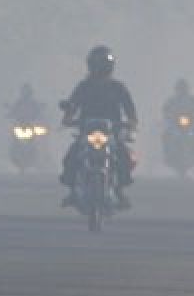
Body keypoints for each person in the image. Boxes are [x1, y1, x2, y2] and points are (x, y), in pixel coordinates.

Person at [59, 45, 138, 208]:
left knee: (124, 156)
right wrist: (68, 118)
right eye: (97, 64)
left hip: (111, 133)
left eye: (103, 64)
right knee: (72, 156)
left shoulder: (118, 88)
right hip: (86, 132)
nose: (100, 68)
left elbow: (130, 109)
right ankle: (73, 191)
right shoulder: (84, 86)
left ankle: (119, 190)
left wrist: (131, 122)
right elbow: (72, 105)